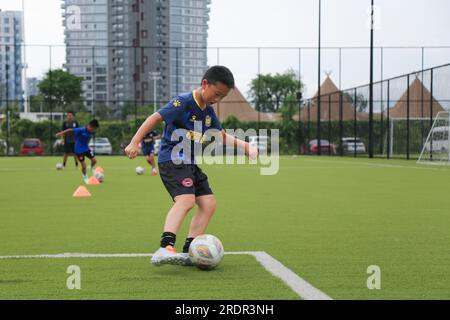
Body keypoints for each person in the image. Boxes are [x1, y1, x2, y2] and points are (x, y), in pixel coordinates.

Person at [125, 66, 258, 266]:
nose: (217, 99)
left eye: (222, 97)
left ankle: (189, 250)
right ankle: (165, 247)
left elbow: (219, 135)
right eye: (216, 93)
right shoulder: (183, 102)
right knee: (186, 201)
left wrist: (245, 145)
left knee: (208, 204)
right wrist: (135, 142)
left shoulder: (208, 112)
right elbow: (155, 117)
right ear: (205, 84)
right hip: (172, 160)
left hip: (189, 163)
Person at [56, 119, 99, 184]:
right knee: (84, 166)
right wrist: (61, 133)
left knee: (94, 161)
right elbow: (70, 130)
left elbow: (88, 138)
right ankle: (85, 177)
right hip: (79, 150)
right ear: (90, 126)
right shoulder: (81, 130)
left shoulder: (91, 132)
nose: (94, 130)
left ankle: (90, 167)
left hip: (86, 148)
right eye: (94, 129)